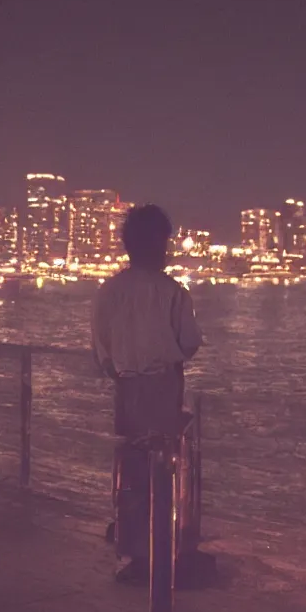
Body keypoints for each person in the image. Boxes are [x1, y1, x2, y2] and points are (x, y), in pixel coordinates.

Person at [91, 204, 203, 584]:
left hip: (125, 385)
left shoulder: (109, 291)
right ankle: (160, 551)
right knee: (165, 466)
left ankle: (131, 544)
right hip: (162, 385)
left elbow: (101, 351)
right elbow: (189, 342)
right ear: (158, 243)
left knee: (130, 466)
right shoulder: (172, 292)